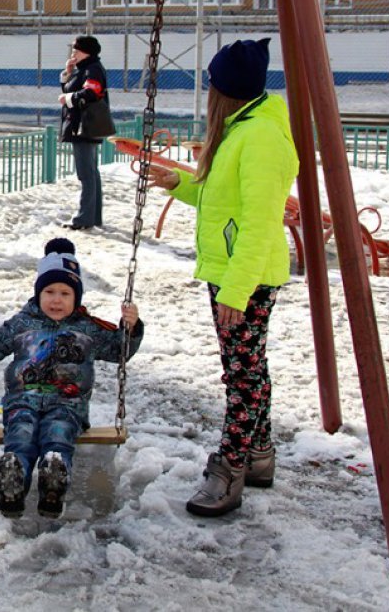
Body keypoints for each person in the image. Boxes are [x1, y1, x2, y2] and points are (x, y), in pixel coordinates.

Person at [145, 38, 298, 518]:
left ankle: (229, 469)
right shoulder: (243, 127)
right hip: (234, 270)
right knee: (251, 367)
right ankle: (259, 454)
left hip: (243, 275)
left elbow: (258, 221)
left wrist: (237, 288)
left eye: (212, 84)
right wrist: (181, 184)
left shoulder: (260, 138)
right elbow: (223, 201)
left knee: (242, 375)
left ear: (225, 90)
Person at [0, 238, 143, 519]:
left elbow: (119, 349)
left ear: (76, 297)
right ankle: (13, 476)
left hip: (68, 405)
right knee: (20, 433)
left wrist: (131, 328)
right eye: (50, 291)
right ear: (38, 293)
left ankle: (54, 478)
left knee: (59, 434)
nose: (56, 299)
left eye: (65, 293)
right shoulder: (22, 323)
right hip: (22, 400)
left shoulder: (88, 329)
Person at [59, 35, 110, 230]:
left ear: (86, 52)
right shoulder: (85, 69)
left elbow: (91, 93)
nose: (73, 53)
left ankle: (84, 218)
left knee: (86, 174)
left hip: (84, 126)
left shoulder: (92, 69)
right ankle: (93, 216)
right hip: (82, 126)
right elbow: (72, 89)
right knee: (91, 172)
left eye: (76, 50)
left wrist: (68, 98)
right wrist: (68, 73)